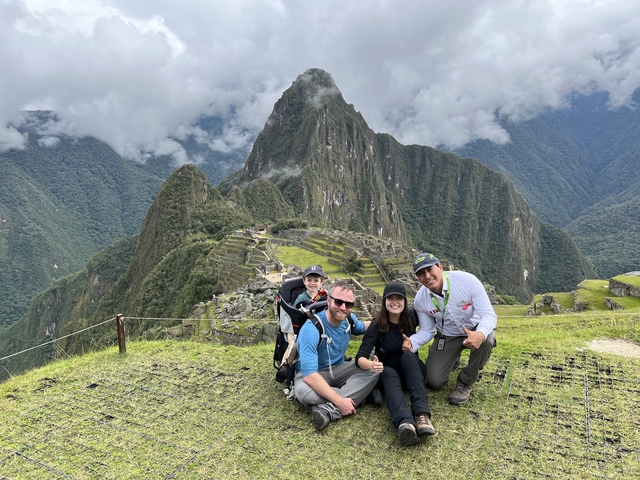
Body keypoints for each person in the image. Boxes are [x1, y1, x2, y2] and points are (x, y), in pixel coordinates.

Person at [402, 253, 497, 405]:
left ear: (440, 267)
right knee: (434, 382)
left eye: (429, 269)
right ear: (417, 278)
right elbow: (427, 330)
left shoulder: (467, 281)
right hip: (447, 335)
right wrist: (413, 343)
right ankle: (453, 358)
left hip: (474, 328)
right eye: (421, 273)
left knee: (487, 339)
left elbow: (489, 315)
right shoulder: (421, 299)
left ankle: (466, 381)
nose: (427, 276)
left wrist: (480, 333)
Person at [356, 281, 436, 446]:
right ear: (384, 301)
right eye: (390, 298)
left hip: (411, 372)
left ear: (405, 301)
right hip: (388, 373)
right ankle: (404, 423)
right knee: (389, 372)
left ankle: (422, 416)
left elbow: (434, 320)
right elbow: (360, 357)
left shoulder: (412, 317)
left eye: (399, 298)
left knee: (408, 356)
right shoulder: (376, 325)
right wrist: (372, 365)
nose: (395, 302)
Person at [294, 280, 378, 431]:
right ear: (328, 300)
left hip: (339, 368)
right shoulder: (311, 329)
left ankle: (327, 410)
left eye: (349, 304)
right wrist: (339, 401)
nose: (343, 308)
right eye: (338, 302)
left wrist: (384, 322)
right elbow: (310, 375)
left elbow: (361, 327)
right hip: (313, 374)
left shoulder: (348, 320)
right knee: (305, 394)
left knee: (372, 371)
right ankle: (359, 395)